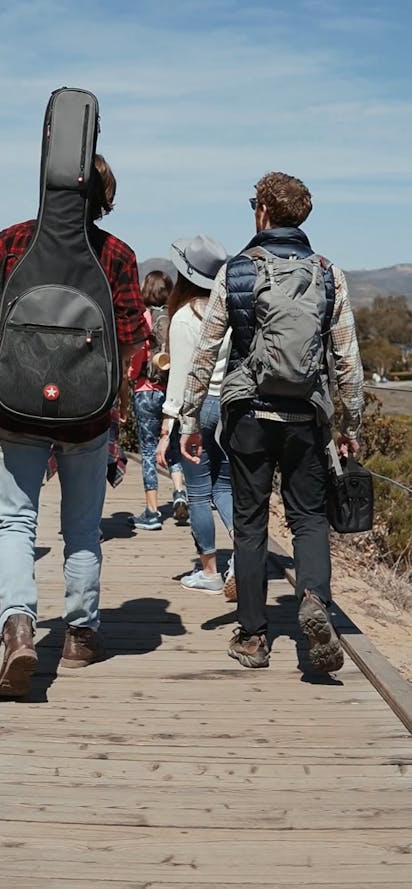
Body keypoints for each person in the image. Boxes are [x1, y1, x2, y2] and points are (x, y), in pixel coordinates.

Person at [0, 153, 149, 696]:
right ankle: (80, 636)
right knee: (82, 527)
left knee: (16, 521)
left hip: (17, 406)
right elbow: (134, 338)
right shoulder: (115, 254)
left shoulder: (15, 240)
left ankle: (18, 626)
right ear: (102, 198)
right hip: (87, 416)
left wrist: (9, 349)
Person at [179, 173, 364, 671]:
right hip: (306, 416)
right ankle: (314, 601)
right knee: (307, 518)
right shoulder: (329, 274)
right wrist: (351, 429)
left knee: (251, 522)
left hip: (248, 416)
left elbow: (206, 351)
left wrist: (190, 419)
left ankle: (254, 637)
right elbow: (347, 360)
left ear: (261, 211)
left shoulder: (237, 271)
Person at [157, 235, 236, 597]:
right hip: (229, 406)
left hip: (197, 408)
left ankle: (209, 570)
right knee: (225, 486)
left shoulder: (184, 317)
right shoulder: (231, 312)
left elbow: (182, 376)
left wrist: (168, 426)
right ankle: (244, 557)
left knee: (199, 491)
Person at [127, 270, 188, 530]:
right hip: (171, 391)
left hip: (145, 390)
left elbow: (136, 358)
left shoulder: (145, 319)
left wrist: (130, 376)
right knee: (173, 444)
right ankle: (179, 493)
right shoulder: (175, 318)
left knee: (149, 450)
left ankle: (152, 512)